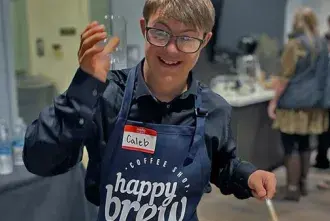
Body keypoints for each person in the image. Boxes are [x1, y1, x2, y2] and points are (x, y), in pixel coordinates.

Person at [23, 0, 276, 220]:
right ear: (144, 29)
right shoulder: (106, 95)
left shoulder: (214, 109)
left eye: (187, 38)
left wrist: (247, 176)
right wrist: (82, 87)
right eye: (161, 33)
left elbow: (222, 165)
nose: (171, 49)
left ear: (204, 41)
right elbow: (39, 160)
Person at [268, 7, 329, 202]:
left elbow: (285, 77)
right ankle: (302, 185)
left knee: (290, 145)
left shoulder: (294, 45)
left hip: (293, 102)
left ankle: (292, 188)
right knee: (305, 143)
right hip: (314, 102)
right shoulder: (322, 44)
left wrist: (274, 101)